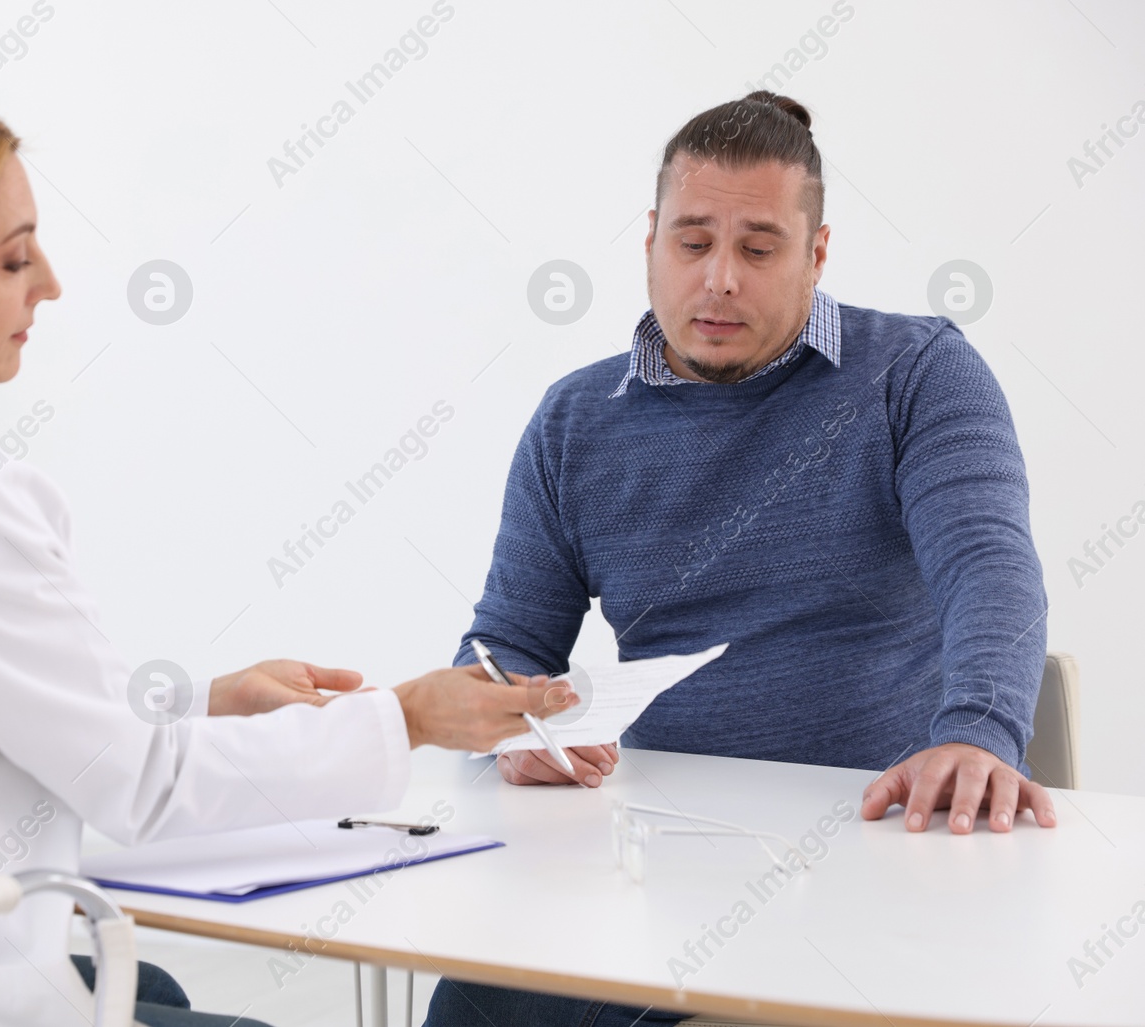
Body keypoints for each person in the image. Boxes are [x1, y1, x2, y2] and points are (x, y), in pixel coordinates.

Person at [0, 89, 576, 1027]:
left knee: (152, 989)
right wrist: (403, 716)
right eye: (13, 258)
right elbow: (140, 785)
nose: (47, 283)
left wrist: (199, 699)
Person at [424, 90, 1057, 1027]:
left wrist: (976, 729)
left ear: (817, 253)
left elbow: (989, 565)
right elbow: (505, 643)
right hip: (653, 858)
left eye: (759, 248)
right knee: (471, 1002)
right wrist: (519, 726)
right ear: (649, 242)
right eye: (692, 242)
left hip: (869, 856)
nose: (720, 278)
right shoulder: (574, 422)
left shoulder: (917, 374)